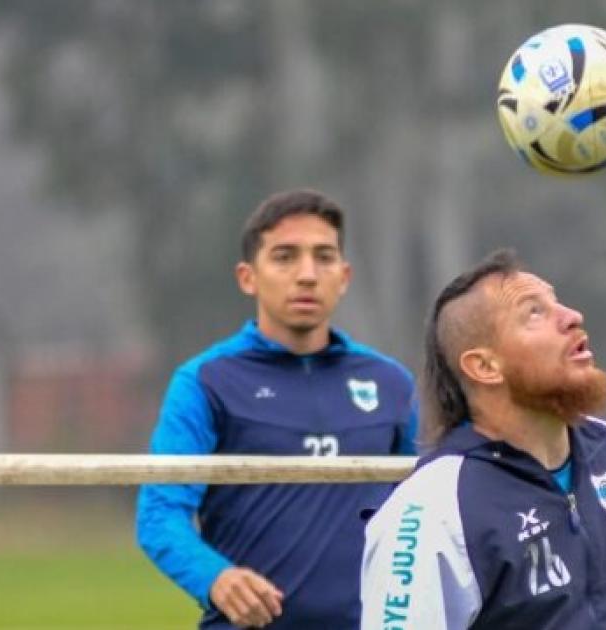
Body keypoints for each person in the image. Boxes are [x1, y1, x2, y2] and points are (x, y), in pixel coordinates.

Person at [137, 188, 418, 629]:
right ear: (248, 277)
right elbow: (159, 514)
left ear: (344, 276)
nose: (307, 274)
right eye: (285, 257)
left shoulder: (392, 384)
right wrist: (218, 578)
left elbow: (422, 513)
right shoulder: (205, 382)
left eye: (323, 257)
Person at [360, 249, 606, 629]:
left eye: (556, 302)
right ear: (485, 366)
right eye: (534, 313)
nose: (572, 317)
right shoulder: (431, 509)